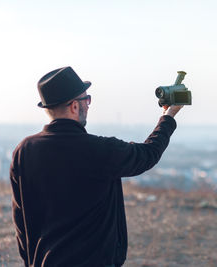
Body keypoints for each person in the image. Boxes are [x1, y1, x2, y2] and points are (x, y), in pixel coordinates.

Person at [9, 66, 183, 267]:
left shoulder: (24, 151)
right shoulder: (99, 150)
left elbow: (20, 220)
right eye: (87, 99)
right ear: (75, 106)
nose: (88, 105)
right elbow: (148, 154)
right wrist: (168, 117)